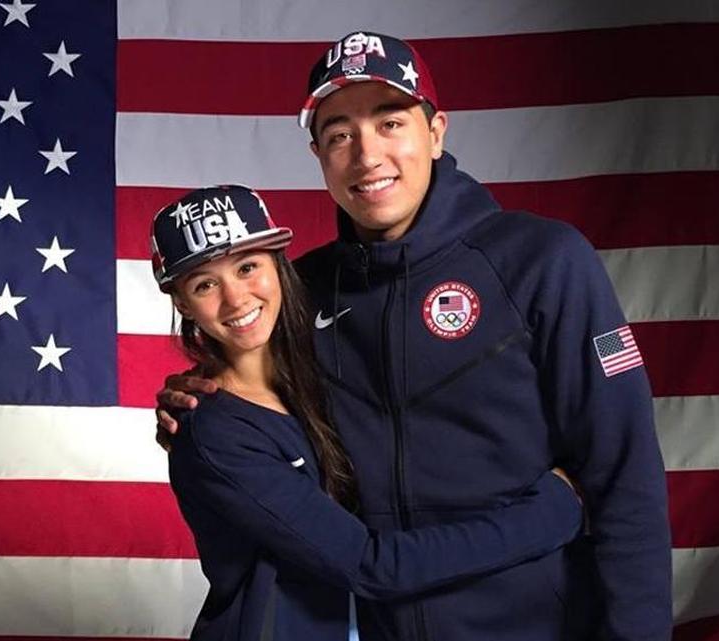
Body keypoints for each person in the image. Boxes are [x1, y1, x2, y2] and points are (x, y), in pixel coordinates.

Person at [156, 33, 671, 641]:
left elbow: (624, 475)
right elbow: (249, 392)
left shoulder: (542, 260)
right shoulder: (303, 293)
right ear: (319, 153)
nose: (367, 155)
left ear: (436, 131)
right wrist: (192, 397)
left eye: (390, 122)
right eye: (340, 133)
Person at [151, 184, 583, 641]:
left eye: (247, 267)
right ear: (182, 303)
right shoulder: (214, 428)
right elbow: (370, 565)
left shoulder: (322, 369)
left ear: (279, 264)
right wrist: (551, 512)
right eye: (204, 284)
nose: (235, 298)